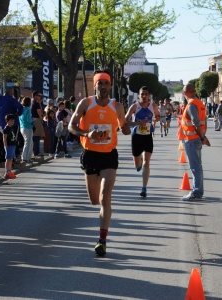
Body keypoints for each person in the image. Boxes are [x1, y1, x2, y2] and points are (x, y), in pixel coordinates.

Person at [68, 70, 131, 256]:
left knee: (105, 197)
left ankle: (102, 240)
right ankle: (102, 235)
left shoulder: (117, 106)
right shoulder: (86, 103)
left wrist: (127, 129)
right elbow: (72, 126)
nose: (103, 86)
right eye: (99, 83)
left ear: (110, 86)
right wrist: (86, 134)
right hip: (90, 155)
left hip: (109, 156)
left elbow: (123, 127)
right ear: (94, 85)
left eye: (106, 83)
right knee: (94, 200)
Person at [125, 86, 160, 197]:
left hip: (148, 136)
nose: (144, 96)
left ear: (148, 95)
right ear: (139, 96)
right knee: (137, 165)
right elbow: (125, 121)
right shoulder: (134, 107)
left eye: (146, 94)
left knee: (147, 162)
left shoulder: (153, 106)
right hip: (137, 137)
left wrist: (155, 119)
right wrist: (138, 124)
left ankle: (144, 188)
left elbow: (158, 116)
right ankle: (138, 158)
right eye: (142, 94)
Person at [179, 83, 210, 201]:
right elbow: (204, 121)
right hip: (196, 138)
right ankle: (199, 191)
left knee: (195, 167)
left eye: (184, 92)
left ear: (186, 93)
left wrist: (202, 137)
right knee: (198, 167)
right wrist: (203, 136)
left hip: (191, 140)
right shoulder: (200, 103)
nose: (183, 94)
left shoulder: (191, 105)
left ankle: (196, 193)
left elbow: (196, 122)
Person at [19, 97, 34, 163]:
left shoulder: (21, 109)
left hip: (22, 127)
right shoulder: (28, 110)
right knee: (28, 143)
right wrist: (33, 119)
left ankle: (27, 157)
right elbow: (29, 120)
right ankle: (25, 157)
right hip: (28, 127)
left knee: (28, 142)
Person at [3, 114, 17, 179]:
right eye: (11, 120)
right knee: (8, 159)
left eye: (13, 120)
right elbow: (4, 138)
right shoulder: (6, 128)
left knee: (11, 158)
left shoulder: (12, 127)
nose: (12, 122)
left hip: (13, 144)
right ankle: (6, 172)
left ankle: (9, 171)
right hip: (9, 145)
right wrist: (5, 145)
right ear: (7, 121)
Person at [31, 91, 45, 156]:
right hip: (37, 120)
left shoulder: (30, 102)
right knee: (37, 136)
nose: (39, 97)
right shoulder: (36, 103)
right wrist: (42, 115)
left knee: (34, 137)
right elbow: (39, 113)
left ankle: (34, 151)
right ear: (35, 96)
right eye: (38, 96)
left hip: (31, 120)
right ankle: (36, 152)